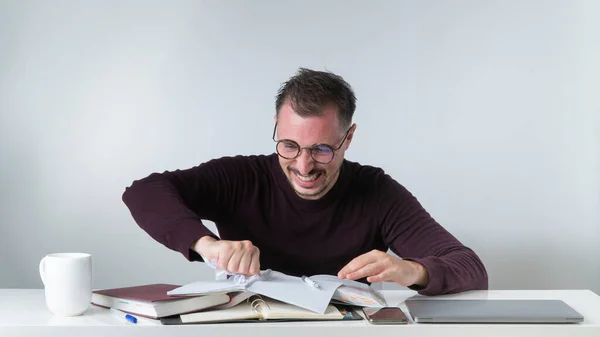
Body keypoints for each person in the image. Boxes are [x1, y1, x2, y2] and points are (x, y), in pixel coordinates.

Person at [122, 68, 488, 295]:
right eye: (289, 146)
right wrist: (207, 245)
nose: (303, 166)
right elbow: (144, 192)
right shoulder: (240, 178)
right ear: (276, 131)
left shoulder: (377, 192)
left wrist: (414, 270)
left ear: (349, 138)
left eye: (322, 149)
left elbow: (470, 268)